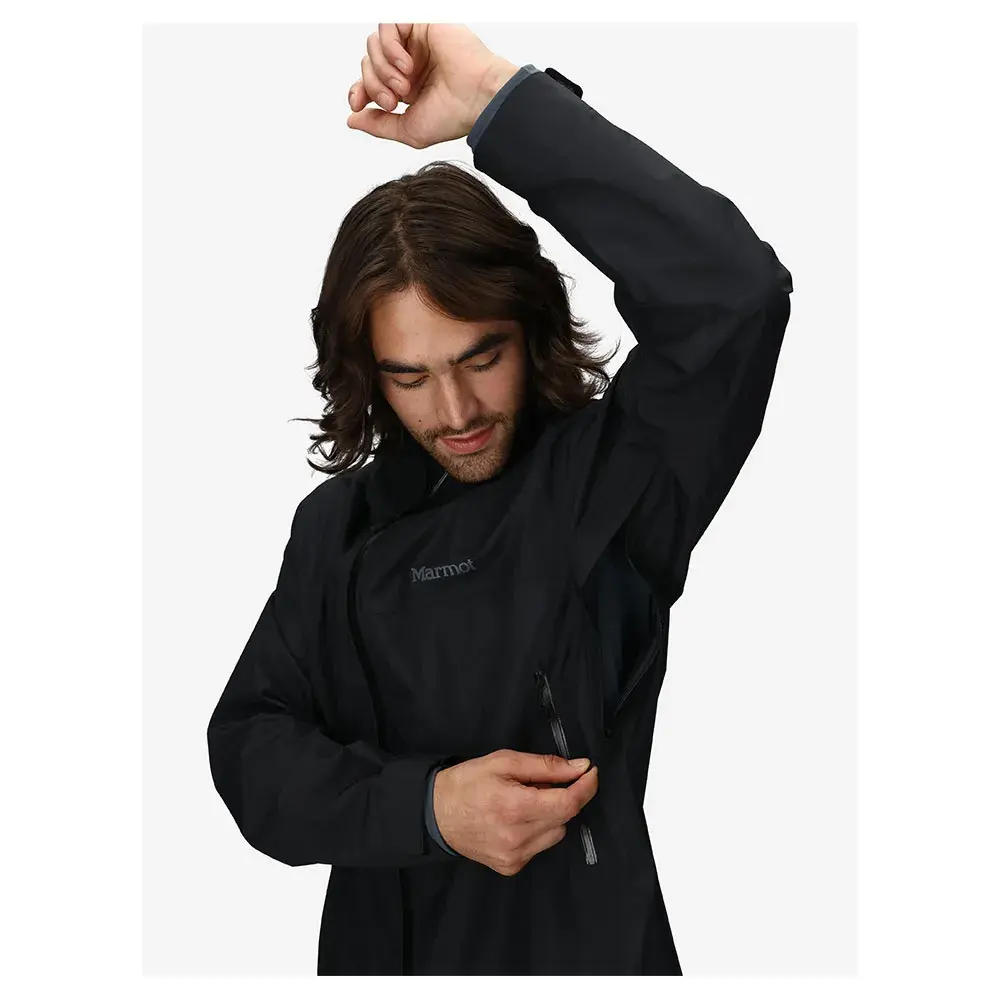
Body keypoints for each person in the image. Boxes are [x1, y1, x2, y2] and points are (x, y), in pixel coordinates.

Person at [207, 22, 794, 976]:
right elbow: (250, 751)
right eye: (410, 376)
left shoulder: (614, 480)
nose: (455, 412)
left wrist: (495, 99)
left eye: (481, 358)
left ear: (532, 326)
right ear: (367, 374)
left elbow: (734, 293)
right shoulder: (336, 527)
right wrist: (427, 809)